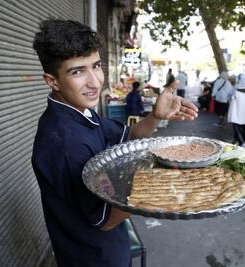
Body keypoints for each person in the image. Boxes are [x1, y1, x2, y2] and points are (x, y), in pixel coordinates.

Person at [31, 19, 198, 267]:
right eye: (77, 71)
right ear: (52, 81)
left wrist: (154, 117)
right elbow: (106, 218)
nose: (95, 82)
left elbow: (128, 137)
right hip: (95, 258)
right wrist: (157, 182)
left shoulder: (79, 111)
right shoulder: (66, 143)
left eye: (96, 66)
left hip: (111, 248)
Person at [227, 74, 245, 147]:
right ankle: (238, 141)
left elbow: (230, 97)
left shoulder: (235, 87)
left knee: (236, 126)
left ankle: (241, 142)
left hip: (235, 110)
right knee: (242, 127)